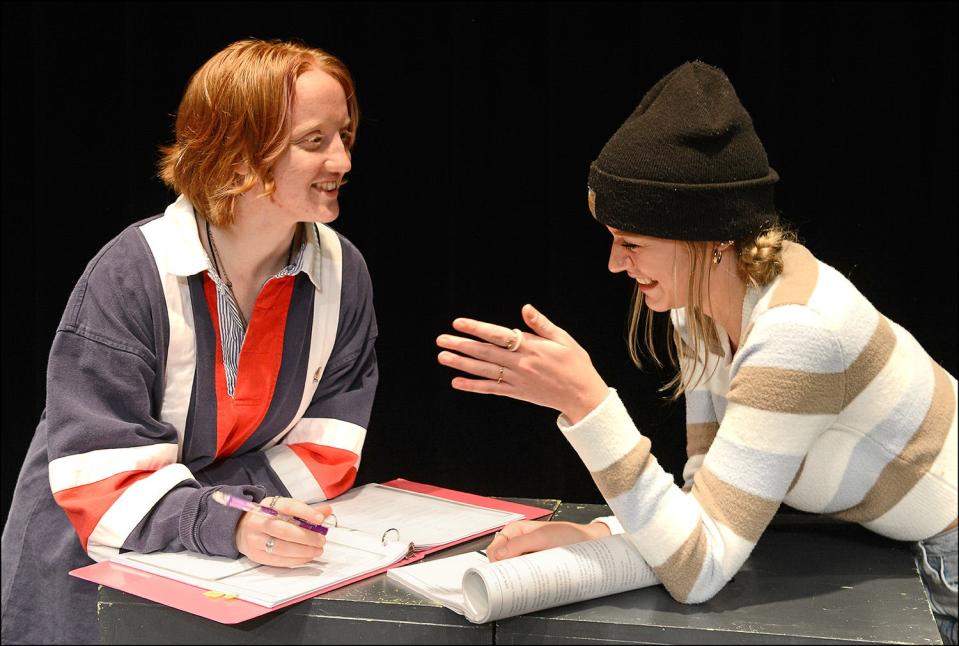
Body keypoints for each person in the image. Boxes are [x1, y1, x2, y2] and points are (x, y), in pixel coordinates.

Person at [436, 61, 957, 644]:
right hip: (902, 551)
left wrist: (587, 404)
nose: (614, 264)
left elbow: (700, 568)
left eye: (631, 243)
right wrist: (598, 537)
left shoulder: (798, 334)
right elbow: (706, 508)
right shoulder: (702, 310)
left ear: (710, 240)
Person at [1, 39, 378, 645]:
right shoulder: (131, 276)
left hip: (235, 569)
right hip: (88, 570)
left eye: (344, 137)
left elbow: (326, 451)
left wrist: (237, 523)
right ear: (237, 154)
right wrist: (227, 518)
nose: (343, 160)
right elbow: (104, 479)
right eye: (315, 141)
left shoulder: (340, 273)